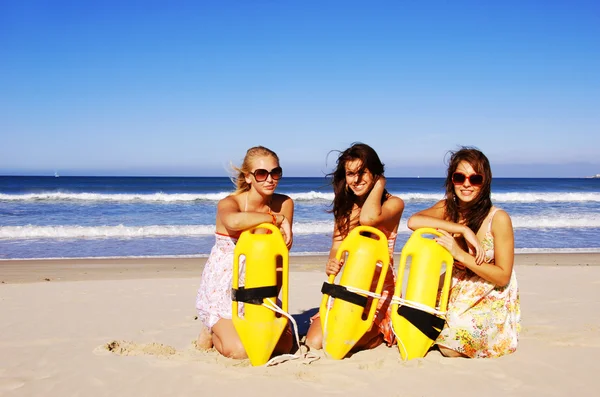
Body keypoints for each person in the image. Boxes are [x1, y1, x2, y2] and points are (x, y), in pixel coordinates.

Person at [407, 147, 520, 358]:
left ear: (484, 182)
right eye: (460, 177)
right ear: (452, 180)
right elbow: (414, 221)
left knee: (451, 346)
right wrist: (462, 229)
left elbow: (503, 275)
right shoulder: (447, 208)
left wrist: (459, 254)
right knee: (411, 316)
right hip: (455, 283)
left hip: (488, 289)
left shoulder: (498, 218)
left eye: (475, 179)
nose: (466, 184)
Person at [195, 146, 294, 359]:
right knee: (241, 350)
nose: (270, 179)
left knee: (282, 347)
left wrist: (273, 298)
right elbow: (233, 221)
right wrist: (275, 219)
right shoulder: (230, 203)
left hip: (262, 282)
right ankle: (211, 329)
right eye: (261, 173)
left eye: (275, 172)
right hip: (225, 286)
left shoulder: (284, 203)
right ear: (249, 177)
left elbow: (280, 256)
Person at [305, 142, 405, 353]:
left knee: (343, 341)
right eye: (351, 173)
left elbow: (369, 218)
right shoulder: (345, 207)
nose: (356, 179)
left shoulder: (393, 204)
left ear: (376, 174)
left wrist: (379, 183)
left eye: (363, 172)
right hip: (351, 283)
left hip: (379, 289)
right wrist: (333, 261)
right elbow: (337, 245)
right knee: (314, 341)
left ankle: (379, 333)